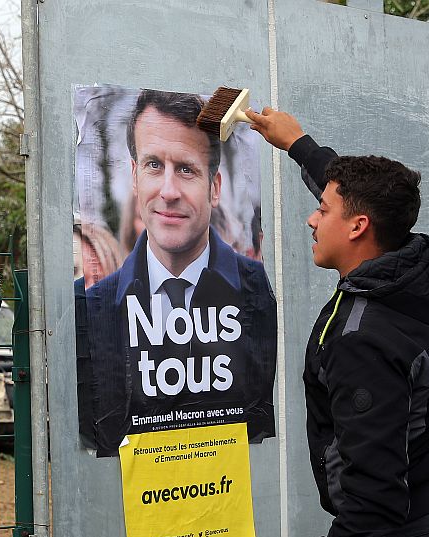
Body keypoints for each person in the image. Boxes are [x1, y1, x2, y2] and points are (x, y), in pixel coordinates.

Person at [247, 106, 429, 537]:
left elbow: (373, 496)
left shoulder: (363, 340)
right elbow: (371, 197)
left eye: (324, 211)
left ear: (357, 227)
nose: (312, 218)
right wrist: (299, 145)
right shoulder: (424, 267)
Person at [74, 89, 277, 457]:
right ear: (135, 177)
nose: (168, 191)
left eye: (186, 169)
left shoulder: (262, 292)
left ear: (214, 188)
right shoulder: (91, 308)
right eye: (154, 165)